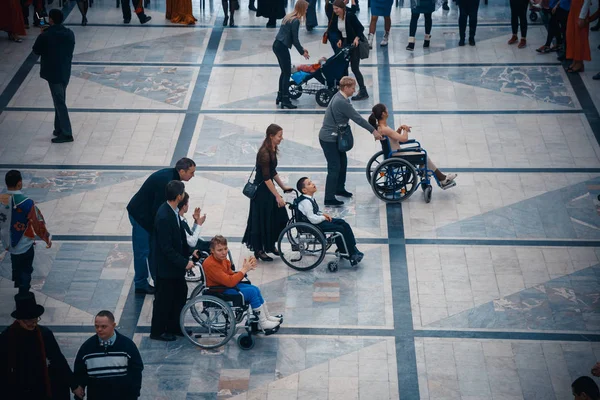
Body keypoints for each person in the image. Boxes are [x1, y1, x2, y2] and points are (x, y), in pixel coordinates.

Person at [126, 157, 196, 295]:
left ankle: (158, 280)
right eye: (191, 172)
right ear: (182, 171)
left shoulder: (172, 178)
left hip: (148, 216)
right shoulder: (167, 183)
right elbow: (158, 210)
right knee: (142, 251)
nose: (193, 175)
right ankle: (140, 284)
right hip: (140, 216)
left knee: (153, 249)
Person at [318, 76, 382, 207]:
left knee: (343, 162)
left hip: (334, 137)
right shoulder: (341, 102)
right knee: (334, 167)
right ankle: (329, 198)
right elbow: (357, 118)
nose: (354, 91)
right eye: (353, 88)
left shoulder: (339, 96)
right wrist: (373, 131)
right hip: (329, 139)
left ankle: (339, 188)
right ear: (346, 88)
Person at [0, 292, 76, 400]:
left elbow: (58, 360)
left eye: (35, 319)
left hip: (43, 390)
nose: (33, 323)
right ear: (19, 320)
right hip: (19, 391)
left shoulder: (45, 334)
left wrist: (74, 384)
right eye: (28, 320)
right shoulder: (6, 338)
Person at [369, 103, 458, 189]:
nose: (388, 110)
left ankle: (432, 175)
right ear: (383, 113)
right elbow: (404, 139)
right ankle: (441, 179)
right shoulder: (385, 129)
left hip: (393, 153)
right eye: (386, 109)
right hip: (397, 155)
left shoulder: (381, 127)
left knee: (422, 155)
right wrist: (406, 130)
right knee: (424, 156)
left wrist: (400, 129)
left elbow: (394, 138)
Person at [203, 235, 282, 330]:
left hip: (225, 286)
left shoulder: (222, 260)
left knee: (255, 289)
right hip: (219, 291)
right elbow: (230, 282)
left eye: (225, 248)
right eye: (220, 250)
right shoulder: (211, 264)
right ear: (212, 251)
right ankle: (263, 323)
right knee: (252, 292)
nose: (224, 253)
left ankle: (266, 317)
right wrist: (244, 270)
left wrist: (244, 269)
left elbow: (230, 275)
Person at [149, 180, 195, 342]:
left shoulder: (172, 211)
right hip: (165, 268)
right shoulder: (164, 216)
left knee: (179, 294)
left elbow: (179, 238)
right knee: (163, 300)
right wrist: (184, 262)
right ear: (178, 196)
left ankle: (174, 326)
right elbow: (166, 248)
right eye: (182, 192)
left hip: (173, 267)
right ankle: (158, 331)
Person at [242, 124, 292, 262]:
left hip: (268, 190)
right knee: (262, 220)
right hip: (262, 193)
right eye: (279, 136)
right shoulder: (264, 153)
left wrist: (283, 187)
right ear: (271, 136)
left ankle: (270, 245)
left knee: (276, 217)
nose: (281, 138)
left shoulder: (272, 148)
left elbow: (272, 171)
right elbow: (266, 178)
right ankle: (259, 249)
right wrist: (277, 195)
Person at [0, 170, 52, 294]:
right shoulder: (27, 203)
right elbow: (37, 223)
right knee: (26, 269)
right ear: (19, 183)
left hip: (9, 243)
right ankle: (24, 292)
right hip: (25, 243)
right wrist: (46, 238)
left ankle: (19, 286)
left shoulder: (1, 200)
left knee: (16, 265)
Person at [73, 310, 143, 400]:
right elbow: (79, 374)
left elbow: (136, 373)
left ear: (113, 326)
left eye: (103, 326)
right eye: (96, 326)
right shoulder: (86, 348)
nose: (99, 330)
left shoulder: (128, 346)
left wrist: (134, 395)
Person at [296, 177, 364, 264]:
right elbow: (312, 218)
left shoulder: (309, 198)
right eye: (309, 184)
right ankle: (349, 253)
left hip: (317, 221)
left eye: (311, 182)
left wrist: (323, 214)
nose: (313, 184)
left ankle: (351, 248)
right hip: (314, 225)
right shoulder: (306, 202)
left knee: (343, 223)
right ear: (304, 190)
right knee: (340, 229)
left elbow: (314, 212)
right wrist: (323, 218)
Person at [32, 9, 75, 144]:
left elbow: (35, 51)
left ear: (51, 20)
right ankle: (59, 128)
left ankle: (67, 133)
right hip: (65, 71)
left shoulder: (46, 36)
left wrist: (43, 35)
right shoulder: (69, 34)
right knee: (59, 98)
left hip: (52, 72)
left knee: (59, 101)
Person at [273, 0, 310, 109]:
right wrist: (302, 52)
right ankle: (285, 99)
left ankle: (280, 95)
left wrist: (302, 49)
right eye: (306, 9)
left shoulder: (288, 17)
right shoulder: (296, 21)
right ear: (302, 8)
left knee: (284, 72)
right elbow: (295, 40)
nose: (307, 11)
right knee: (287, 73)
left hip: (277, 45)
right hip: (282, 47)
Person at [329, 0, 369, 100]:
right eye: (334, 9)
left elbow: (360, 28)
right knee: (344, 66)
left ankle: (363, 91)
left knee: (355, 68)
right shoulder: (335, 17)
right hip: (345, 43)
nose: (335, 11)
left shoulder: (350, 16)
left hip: (353, 44)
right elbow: (335, 30)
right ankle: (345, 90)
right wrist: (338, 39)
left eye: (337, 9)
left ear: (342, 8)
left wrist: (357, 38)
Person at [565, 0, 598, 72]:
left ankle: (579, 61)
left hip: (580, 10)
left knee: (579, 38)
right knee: (571, 35)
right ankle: (575, 59)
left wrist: (582, 16)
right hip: (574, 8)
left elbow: (587, 1)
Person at [177, 192, 209, 257]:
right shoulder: (179, 222)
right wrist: (199, 225)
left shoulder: (182, 219)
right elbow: (192, 242)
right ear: (184, 206)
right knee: (215, 247)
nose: (188, 205)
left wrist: (196, 222)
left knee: (217, 243)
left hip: (193, 246)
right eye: (187, 203)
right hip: (190, 250)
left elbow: (190, 235)